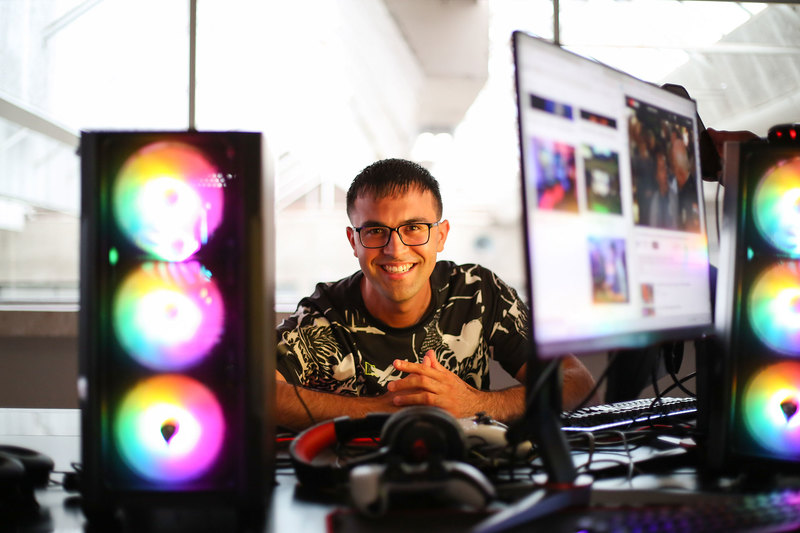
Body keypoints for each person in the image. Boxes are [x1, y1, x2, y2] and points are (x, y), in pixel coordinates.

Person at [275, 158, 597, 432]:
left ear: (440, 236)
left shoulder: (478, 292)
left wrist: (475, 404)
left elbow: (576, 381)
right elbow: (253, 392)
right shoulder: (322, 316)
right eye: (375, 231)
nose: (395, 249)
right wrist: (381, 411)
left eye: (414, 227)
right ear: (353, 241)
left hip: (471, 478)